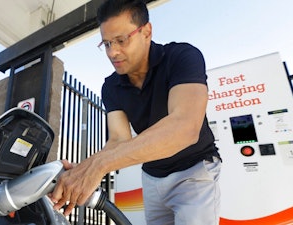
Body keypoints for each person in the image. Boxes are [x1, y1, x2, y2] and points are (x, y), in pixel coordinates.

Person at [51, 0, 222, 224]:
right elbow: (118, 140)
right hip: (152, 177)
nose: (113, 52)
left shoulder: (181, 57)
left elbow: (185, 127)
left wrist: (99, 165)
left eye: (121, 40)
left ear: (147, 31)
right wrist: (83, 169)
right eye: (107, 44)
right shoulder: (110, 86)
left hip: (194, 170)